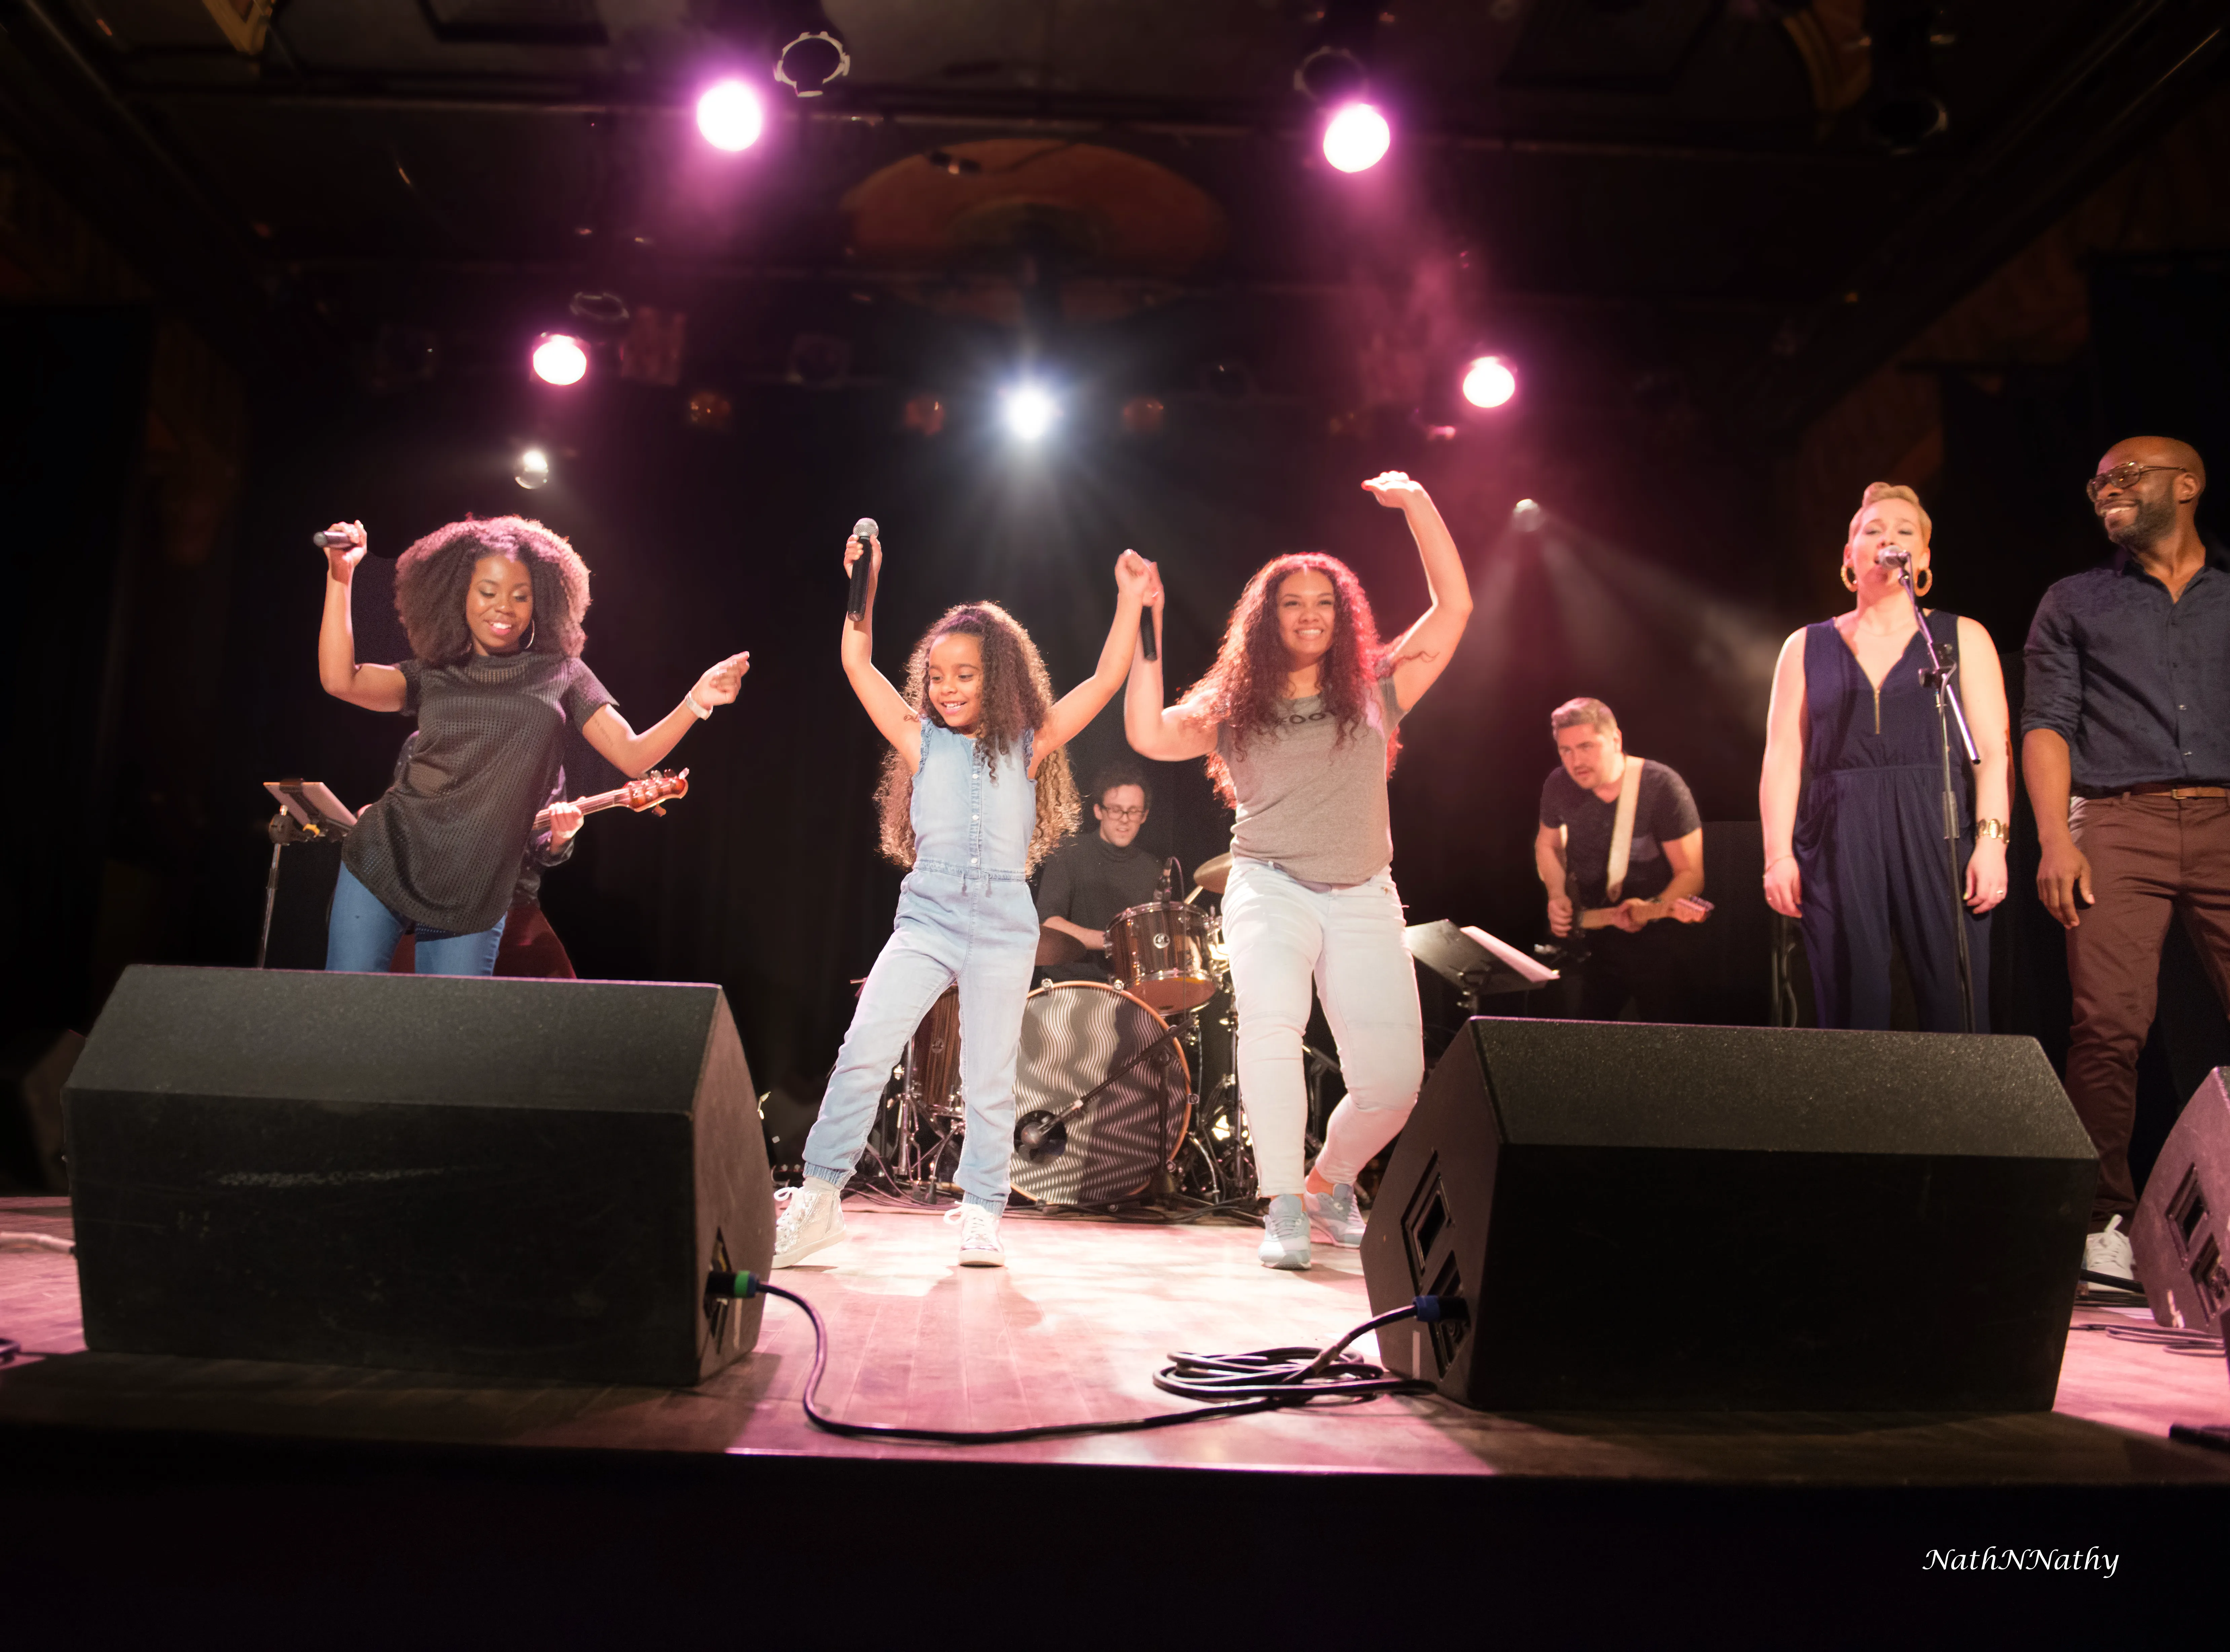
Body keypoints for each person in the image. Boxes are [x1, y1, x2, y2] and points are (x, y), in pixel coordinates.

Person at [773, 529, 1156, 1269]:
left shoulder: (1027, 743)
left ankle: (981, 1209)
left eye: (966, 674)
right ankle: (818, 1199)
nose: (947, 687)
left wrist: (1131, 601)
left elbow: (1106, 681)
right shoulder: (921, 738)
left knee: (989, 1076)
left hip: (1004, 920)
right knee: (864, 1051)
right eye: (938, 674)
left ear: (1001, 678)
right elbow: (856, 660)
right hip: (929, 914)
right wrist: (866, 582)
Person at [1124, 472, 1471, 1270]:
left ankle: (1327, 1181)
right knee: (1272, 1027)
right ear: (1267, 617)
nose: (1310, 613)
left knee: (1393, 1084)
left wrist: (1419, 501)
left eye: (1324, 601)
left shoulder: (1379, 686)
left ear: (1341, 614)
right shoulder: (1233, 703)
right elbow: (1147, 730)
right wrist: (1147, 618)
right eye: (1292, 601)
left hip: (1364, 895)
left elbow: (1454, 610)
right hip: (1270, 883)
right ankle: (1281, 1200)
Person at [317, 515, 747, 974]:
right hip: (387, 857)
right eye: (488, 592)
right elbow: (341, 680)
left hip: (477, 885)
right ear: (457, 595)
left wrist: (697, 701)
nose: (504, 607)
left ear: (539, 601)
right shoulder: (432, 671)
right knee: (345, 1013)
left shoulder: (562, 674)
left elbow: (633, 755)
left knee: (449, 1037)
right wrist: (340, 578)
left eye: (520, 596)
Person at [2023, 436, 2230, 1290]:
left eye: (2127, 476)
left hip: (2227, 816)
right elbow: (2047, 721)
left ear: (2187, 484)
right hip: (2117, 821)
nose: (2107, 489)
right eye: (2098, 480)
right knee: (2107, 1028)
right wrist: (2055, 836)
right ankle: (2104, 1223)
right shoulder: (2075, 601)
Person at [1759, 482, 2010, 1031]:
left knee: (1956, 1001)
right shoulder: (1805, 645)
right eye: (1872, 531)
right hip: (1838, 828)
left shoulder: (1960, 636)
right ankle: (1855, 1118)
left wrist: (1992, 842)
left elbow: (1992, 750)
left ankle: (1965, 1116)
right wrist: (1778, 855)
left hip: (1938, 825)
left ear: (1922, 558)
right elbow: (1783, 755)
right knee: (1851, 1004)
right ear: (1849, 557)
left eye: (1904, 532)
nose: (1887, 539)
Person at [1533, 698, 1708, 1022]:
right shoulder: (1558, 785)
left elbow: (1691, 875)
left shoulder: (1661, 786)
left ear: (1616, 740)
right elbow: (1547, 845)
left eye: (1586, 747)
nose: (1576, 761)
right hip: (1593, 942)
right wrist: (1557, 895)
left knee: (1665, 1044)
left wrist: (1653, 906)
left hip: (1658, 942)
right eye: (1566, 750)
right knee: (1579, 1044)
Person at [386, 733, 580, 978]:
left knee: (562, 1005)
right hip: (433, 905)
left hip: (512, 904)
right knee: (409, 1005)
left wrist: (561, 836)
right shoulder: (424, 740)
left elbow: (544, 849)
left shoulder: (541, 752)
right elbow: (403, 817)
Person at [1034, 767, 1162, 979]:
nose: (1124, 819)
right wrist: (1112, 941)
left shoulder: (1153, 869)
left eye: (1134, 811)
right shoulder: (1068, 852)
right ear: (1098, 811)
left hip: (1130, 989)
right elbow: (1048, 922)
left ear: (1144, 816)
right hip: (1072, 986)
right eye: (1116, 810)